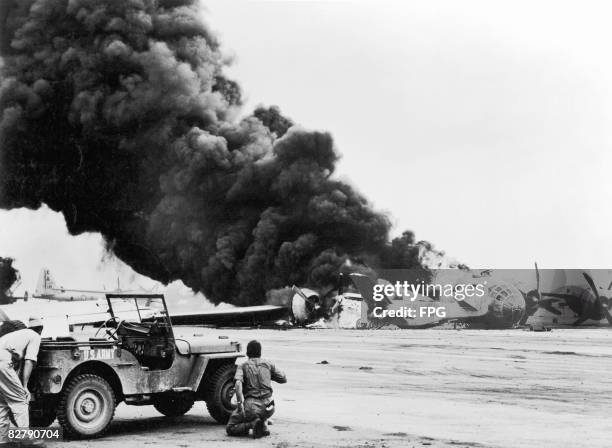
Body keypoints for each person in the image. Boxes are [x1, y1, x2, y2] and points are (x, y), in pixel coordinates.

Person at [226, 340, 287, 439]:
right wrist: (268, 374)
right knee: (259, 412)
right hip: (270, 406)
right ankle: (263, 424)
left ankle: (252, 423)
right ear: (260, 352)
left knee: (231, 427)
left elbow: (238, 383)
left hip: (252, 407)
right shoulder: (268, 364)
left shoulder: (243, 366)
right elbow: (283, 379)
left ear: (247, 353)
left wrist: (239, 403)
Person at [0, 317, 43, 446]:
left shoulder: (17, 334)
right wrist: (24, 387)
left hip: (2, 359)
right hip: (2, 361)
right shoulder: (35, 336)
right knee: (19, 399)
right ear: (40, 329)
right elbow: (29, 360)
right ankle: (26, 440)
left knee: (2, 403)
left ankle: (2, 441)